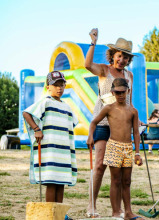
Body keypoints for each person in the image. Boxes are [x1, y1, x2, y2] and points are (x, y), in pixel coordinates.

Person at [84, 28, 135, 217]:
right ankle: (91, 205)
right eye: (120, 56)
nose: (122, 60)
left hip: (121, 126)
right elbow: (87, 64)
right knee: (99, 165)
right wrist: (93, 42)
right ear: (113, 55)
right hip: (103, 123)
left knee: (120, 170)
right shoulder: (104, 70)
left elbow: (131, 101)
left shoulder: (129, 76)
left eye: (127, 58)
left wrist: (136, 122)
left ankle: (119, 209)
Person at [23, 71, 78, 220]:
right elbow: (27, 113)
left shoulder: (67, 107)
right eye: (55, 85)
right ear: (48, 87)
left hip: (63, 151)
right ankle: (49, 214)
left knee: (61, 183)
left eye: (62, 85)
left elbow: (72, 124)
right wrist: (37, 129)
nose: (59, 88)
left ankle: (59, 214)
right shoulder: (45, 102)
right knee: (51, 183)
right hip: (50, 151)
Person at [87, 78, 143, 220]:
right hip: (113, 146)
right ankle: (115, 212)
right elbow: (94, 122)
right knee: (115, 180)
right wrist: (90, 136)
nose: (120, 95)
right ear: (112, 92)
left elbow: (136, 132)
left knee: (127, 181)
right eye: (117, 93)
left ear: (128, 91)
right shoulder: (108, 108)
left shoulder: (133, 111)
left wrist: (137, 152)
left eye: (123, 92)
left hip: (128, 147)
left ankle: (128, 212)